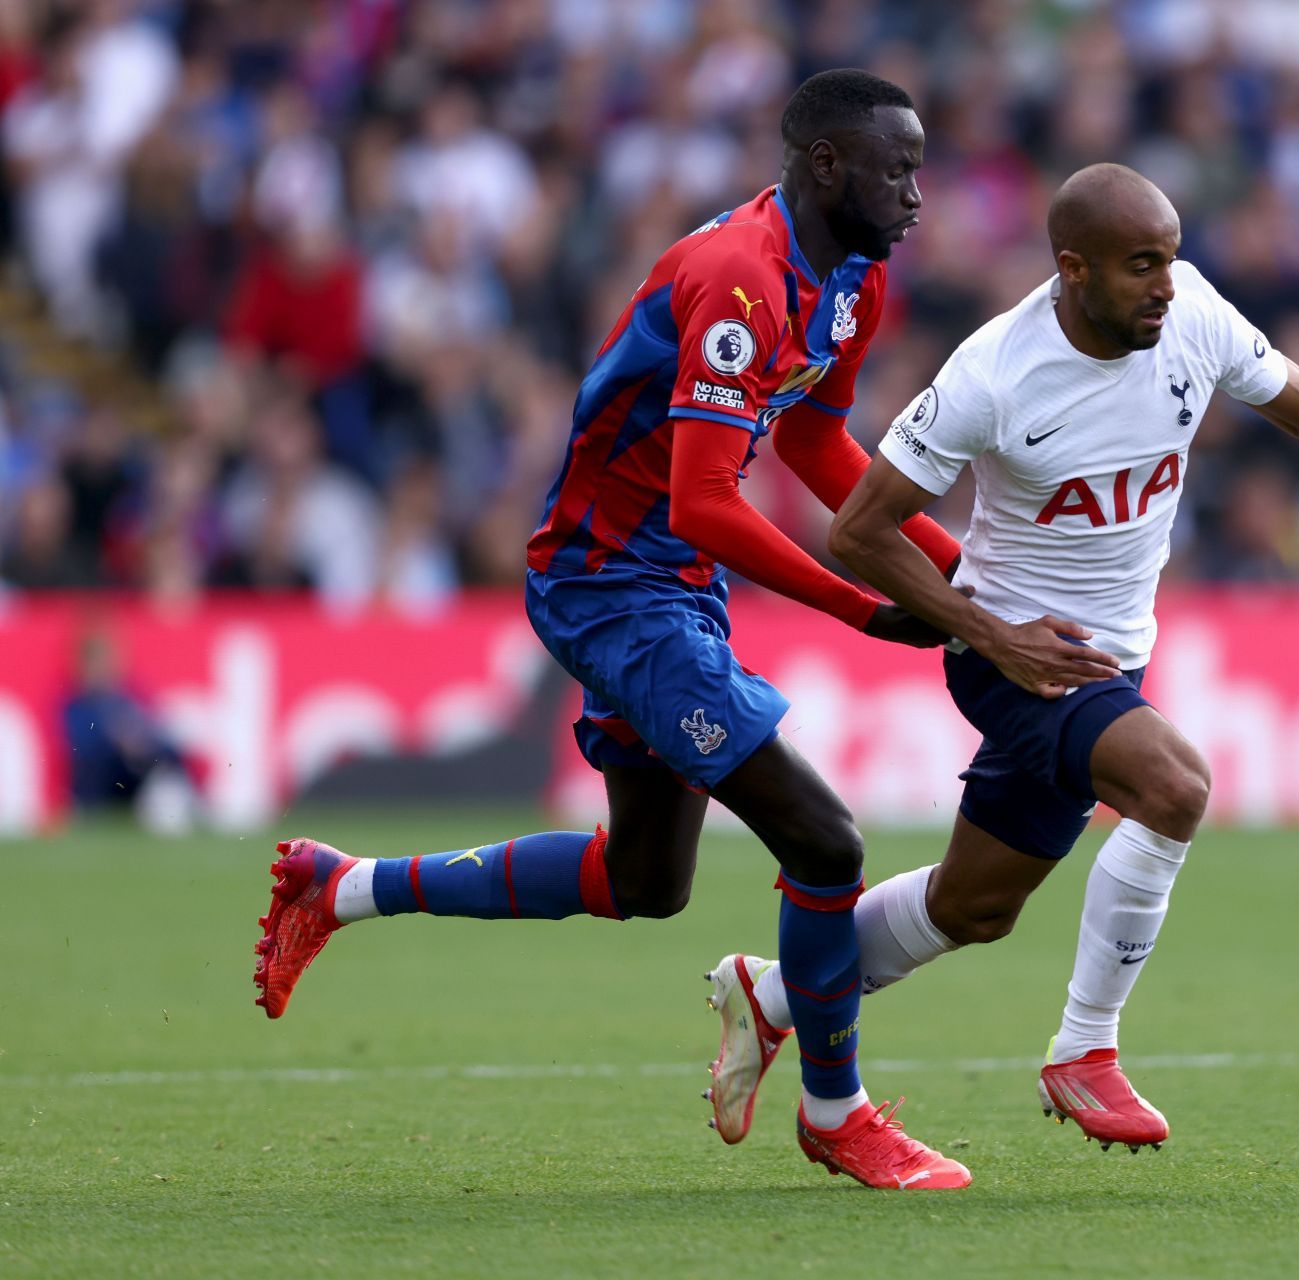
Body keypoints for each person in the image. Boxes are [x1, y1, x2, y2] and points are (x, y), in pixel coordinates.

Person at [252, 70, 1099, 1192]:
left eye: (922, 167)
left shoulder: (849, 277)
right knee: (826, 840)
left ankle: (338, 884)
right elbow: (703, 498)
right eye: (899, 168)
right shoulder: (741, 283)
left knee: (647, 877)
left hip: (667, 574)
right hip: (610, 581)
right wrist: (865, 606)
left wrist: (968, 576)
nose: (918, 193)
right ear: (828, 165)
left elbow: (816, 448)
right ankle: (836, 1114)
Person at [704, 164, 1299, 1156]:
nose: (1165, 285)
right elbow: (862, 531)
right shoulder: (994, 372)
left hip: (1107, 663)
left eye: (1170, 260)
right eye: (1141, 267)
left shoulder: (1196, 316)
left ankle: (773, 989)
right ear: (1072, 269)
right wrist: (990, 631)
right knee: (1172, 785)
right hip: (1012, 656)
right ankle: (1085, 1050)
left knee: (974, 905)